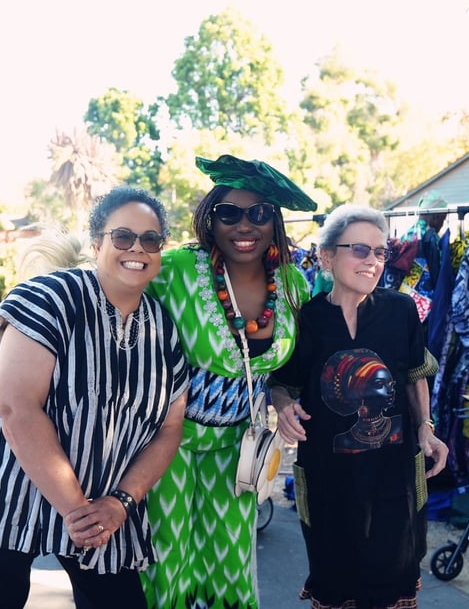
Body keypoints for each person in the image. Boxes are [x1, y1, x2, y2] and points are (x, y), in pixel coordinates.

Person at [0, 186, 190, 609]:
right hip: (7, 491)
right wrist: (77, 511)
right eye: (123, 236)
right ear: (97, 243)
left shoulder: (163, 328)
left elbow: (169, 428)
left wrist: (120, 503)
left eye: (150, 239)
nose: (137, 248)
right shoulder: (48, 298)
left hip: (103, 503)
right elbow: (16, 408)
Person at [140, 154, 317, 609]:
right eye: (229, 213)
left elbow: (285, 371)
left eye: (259, 213)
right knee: (166, 554)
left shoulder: (293, 284)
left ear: (274, 221)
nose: (245, 225)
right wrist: (16, 321)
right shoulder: (176, 270)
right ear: (210, 218)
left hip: (240, 443)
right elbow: (105, 292)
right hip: (168, 441)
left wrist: (282, 399)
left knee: (230, 556)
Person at [268, 204, 448, 609]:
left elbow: (414, 373)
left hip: (394, 475)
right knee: (335, 578)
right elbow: (282, 383)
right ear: (327, 257)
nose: (373, 261)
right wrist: (283, 406)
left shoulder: (401, 310)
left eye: (381, 252)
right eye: (361, 250)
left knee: (393, 576)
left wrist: (426, 427)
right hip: (329, 476)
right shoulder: (305, 320)